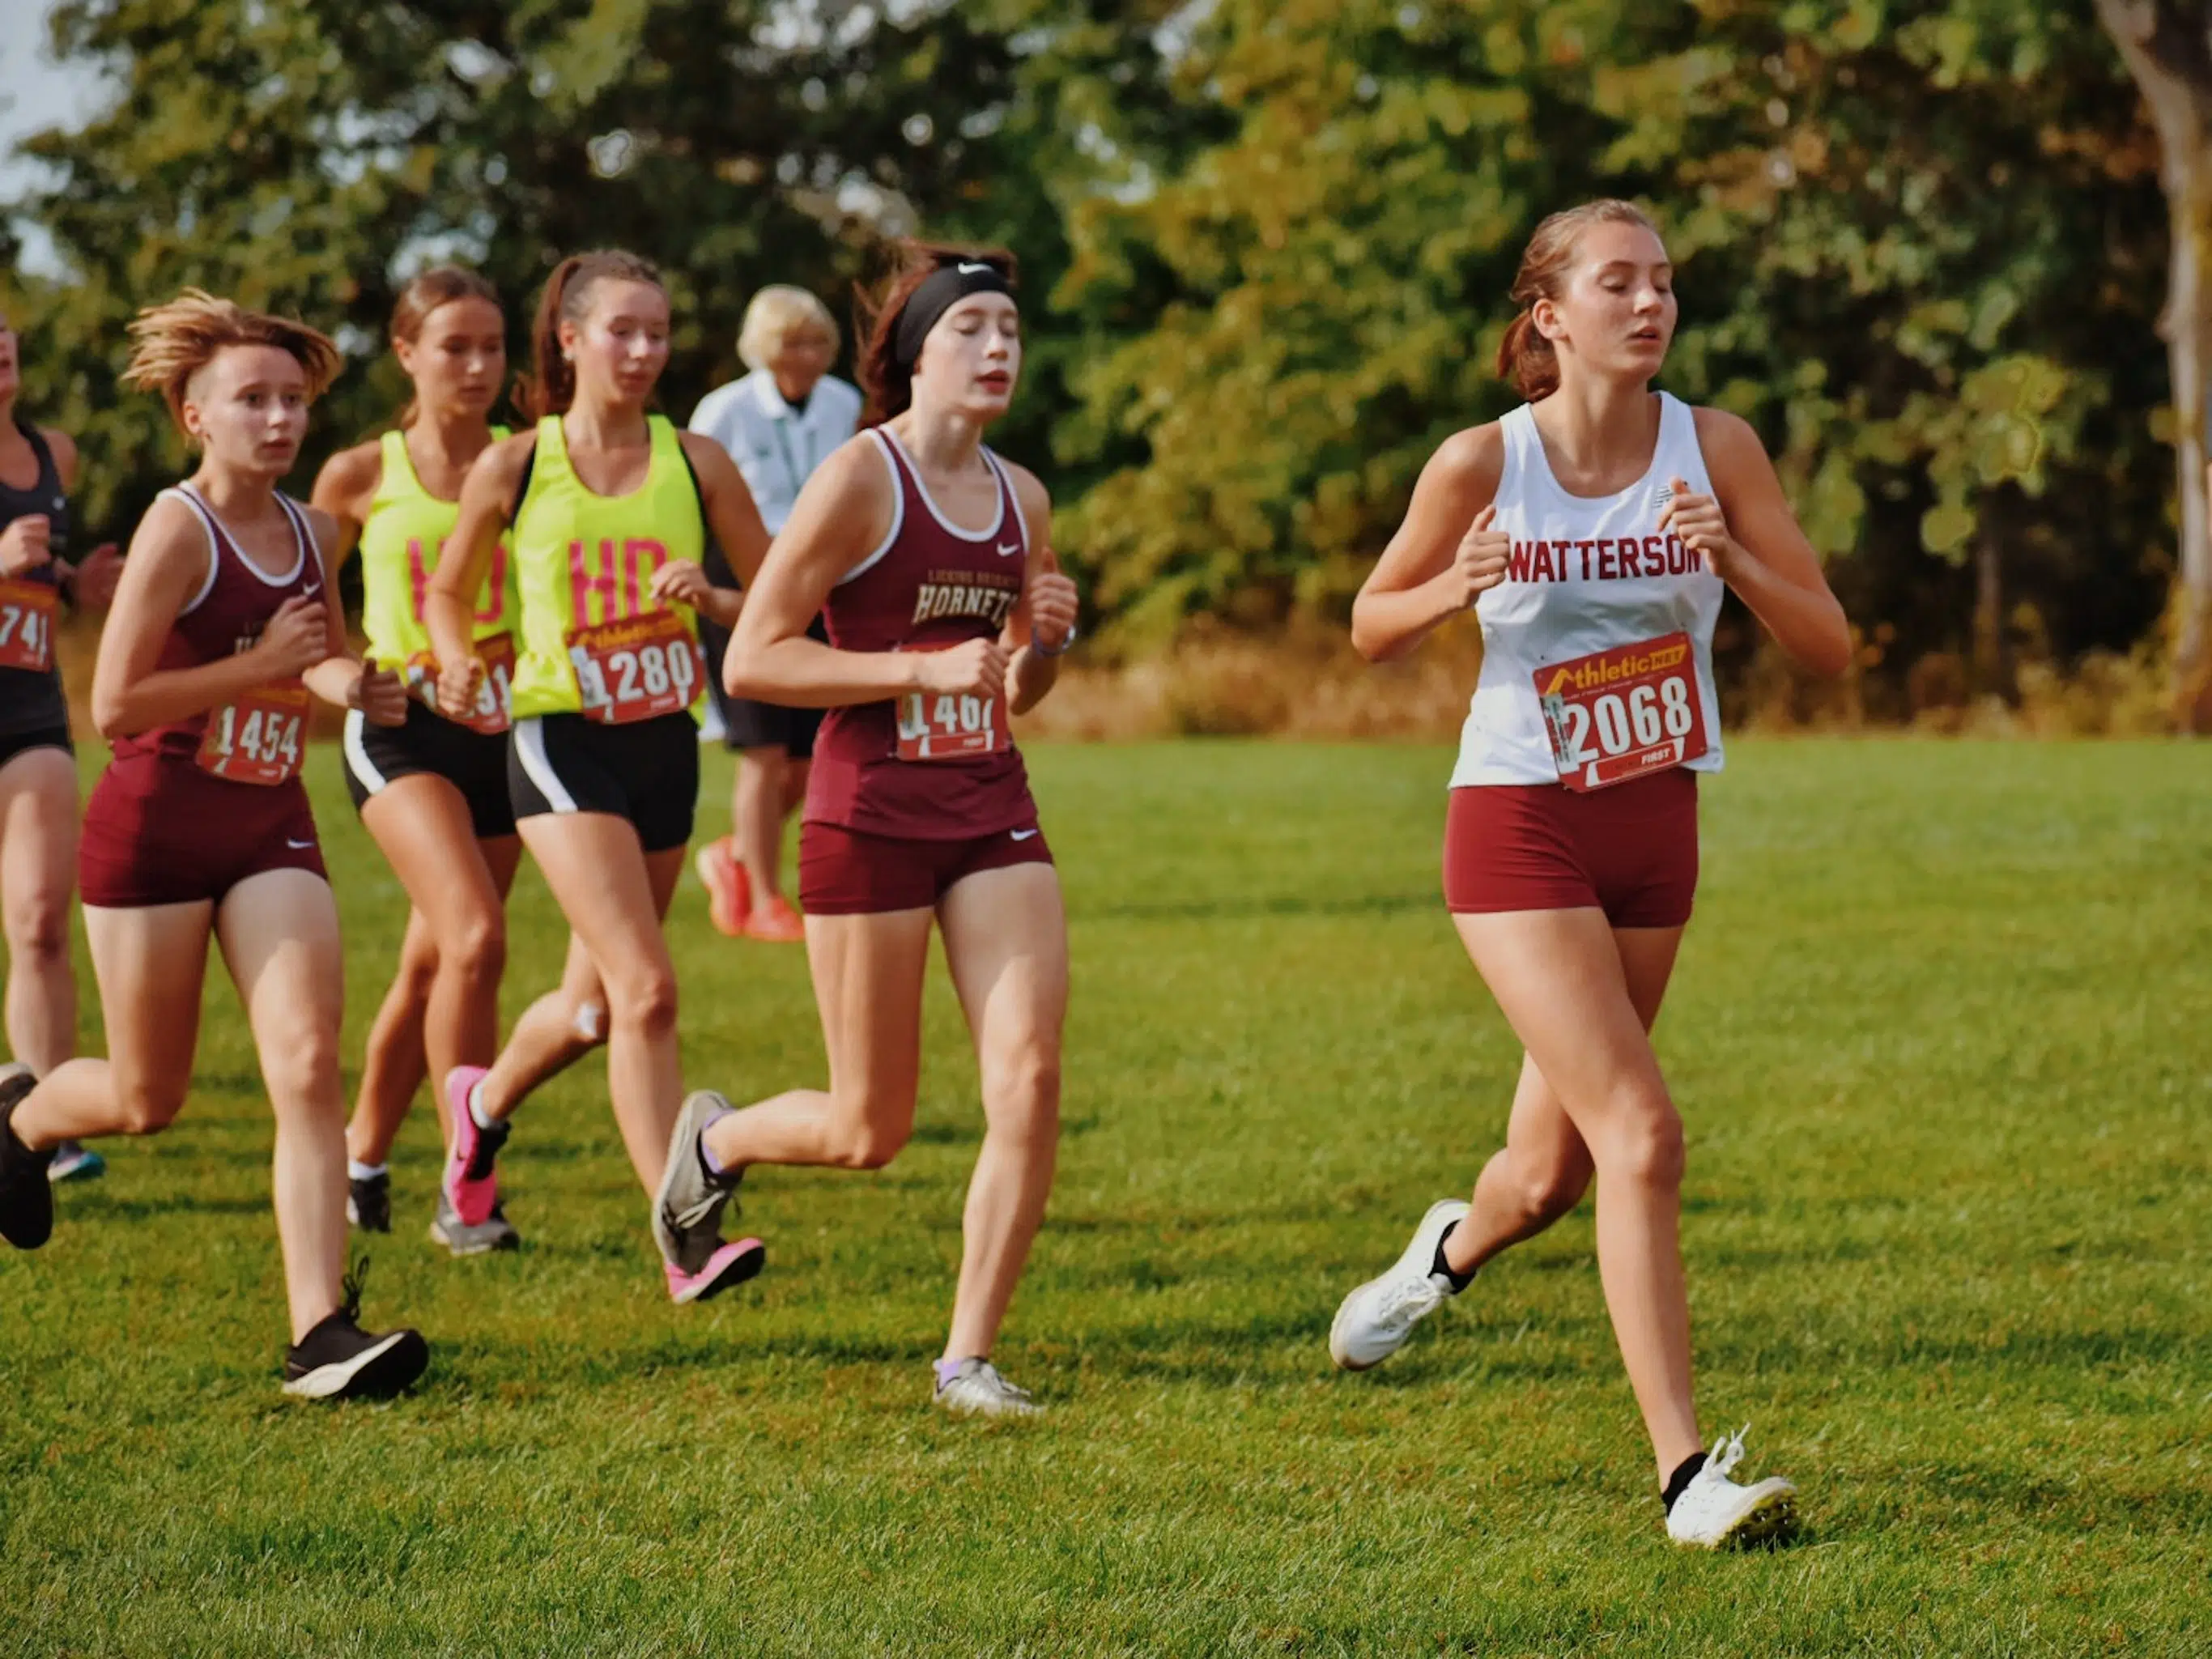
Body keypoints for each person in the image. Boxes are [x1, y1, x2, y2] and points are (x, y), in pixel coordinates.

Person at [1327, 201, 1851, 1546]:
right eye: (1617, 282)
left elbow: (1829, 644)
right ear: (1549, 315)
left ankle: (1445, 1250)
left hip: (1654, 822)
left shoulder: (1714, 447)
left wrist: (1727, 556)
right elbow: (1368, 623)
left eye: (1664, 282)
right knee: (1643, 1134)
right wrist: (1452, 584)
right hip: (1518, 822)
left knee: (1550, 1171)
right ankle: (1689, 1477)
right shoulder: (1480, 461)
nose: (1650, 302)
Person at [667, 242, 1081, 1419]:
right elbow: (755, 655)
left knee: (1032, 1076)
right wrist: (914, 666)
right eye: (971, 329)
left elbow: (1012, 690)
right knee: (869, 1127)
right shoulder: (859, 477)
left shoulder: (1024, 497)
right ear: (910, 356)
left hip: (993, 808)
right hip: (868, 815)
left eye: (1010, 326)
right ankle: (719, 1145)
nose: (998, 348)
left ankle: (967, 1359)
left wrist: (1042, 642)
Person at [0, 290, 429, 1399]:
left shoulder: (310, 529)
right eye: (253, 400)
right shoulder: (175, 527)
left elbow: (317, 657)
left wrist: (356, 684)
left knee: (304, 1064)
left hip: (267, 824)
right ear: (196, 415)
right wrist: (258, 668)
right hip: (153, 831)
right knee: (149, 1097)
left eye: (292, 400)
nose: (280, 420)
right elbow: (114, 704)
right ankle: (26, 1112)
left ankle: (320, 1330)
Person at [424, 249, 772, 1302]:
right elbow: (449, 592)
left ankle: (478, 1115)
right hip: (557, 737)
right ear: (569, 339)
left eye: (658, 332)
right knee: (648, 989)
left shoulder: (698, 459)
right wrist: (450, 660)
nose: (642, 351)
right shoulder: (518, 465)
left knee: (591, 1009)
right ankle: (685, 1237)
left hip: (664, 740)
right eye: (621, 330)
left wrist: (710, 599)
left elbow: (773, 594)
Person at [315, 266, 525, 1256]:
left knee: (433, 958)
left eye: (492, 346)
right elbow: (308, 620)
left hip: (509, 731)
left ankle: (360, 1154)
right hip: (400, 727)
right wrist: (349, 676)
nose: (478, 366)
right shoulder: (360, 475)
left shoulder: (533, 468)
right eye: (454, 346)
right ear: (406, 352)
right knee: (477, 937)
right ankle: (466, 1191)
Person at [688, 286, 862, 941]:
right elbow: (692, 498)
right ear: (765, 349)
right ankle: (763, 896)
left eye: (819, 342)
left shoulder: (844, 402)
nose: (810, 355)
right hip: (742, 576)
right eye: (794, 342)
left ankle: (733, 855)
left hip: (821, 577)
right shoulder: (725, 410)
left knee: (810, 755)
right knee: (762, 752)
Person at [0, 305, 122, 1184]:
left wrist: (86, 585)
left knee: (42, 923)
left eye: (5, 337)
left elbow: (49, 576)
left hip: (34, 718)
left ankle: (42, 1127)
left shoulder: (56, 454)